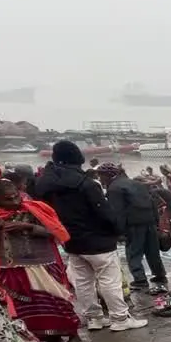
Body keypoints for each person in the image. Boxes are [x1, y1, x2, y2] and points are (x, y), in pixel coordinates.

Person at [33, 141, 146, 332]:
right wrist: (117, 229)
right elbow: (104, 213)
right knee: (109, 280)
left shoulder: (46, 184)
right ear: (77, 158)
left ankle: (94, 319)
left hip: (70, 240)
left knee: (83, 282)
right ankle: (119, 318)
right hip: (98, 240)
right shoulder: (86, 184)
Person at [0, 176, 82, 342]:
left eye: (16, 196)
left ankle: (74, 335)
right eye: (8, 199)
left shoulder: (35, 210)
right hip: (12, 266)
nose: (14, 201)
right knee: (27, 305)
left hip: (43, 263)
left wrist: (27, 227)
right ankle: (51, 336)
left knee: (57, 301)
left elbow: (55, 232)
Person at [98, 163, 168, 295]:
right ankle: (160, 275)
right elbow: (152, 202)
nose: (100, 180)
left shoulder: (114, 188)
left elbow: (117, 212)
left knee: (133, 253)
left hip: (133, 224)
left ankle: (140, 280)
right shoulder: (137, 183)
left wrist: (118, 231)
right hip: (149, 221)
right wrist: (156, 223)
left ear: (108, 176)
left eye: (101, 176)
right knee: (152, 251)